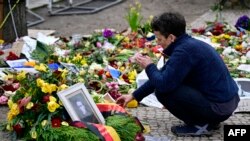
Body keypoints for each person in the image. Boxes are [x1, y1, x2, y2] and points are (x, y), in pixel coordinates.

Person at [116, 12, 240, 136]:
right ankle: (209, 121)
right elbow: (163, 74)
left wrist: (149, 66)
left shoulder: (184, 51)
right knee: (166, 82)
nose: (158, 43)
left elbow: (163, 84)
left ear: (171, 37)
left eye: (159, 39)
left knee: (163, 91)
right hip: (227, 103)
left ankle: (200, 125)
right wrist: (133, 96)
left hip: (219, 108)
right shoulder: (188, 45)